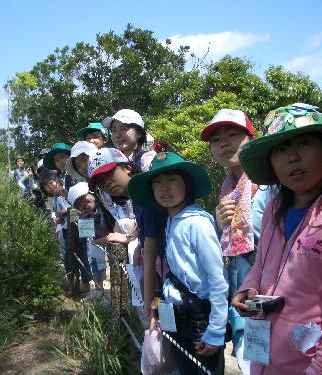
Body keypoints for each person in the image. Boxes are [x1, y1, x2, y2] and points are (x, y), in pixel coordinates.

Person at [231, 103, 322, 374]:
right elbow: (261, 265)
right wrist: (248, 287)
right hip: (264, 361)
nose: (292, 157)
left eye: (304, 143)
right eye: (281, 149)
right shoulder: (274, 209)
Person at [128, 151, 228, 374]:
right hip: (179, 316)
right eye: (157, 182)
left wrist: (216, 330)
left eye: (173, 180)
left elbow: (218, 279)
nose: (165, 188)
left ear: (188, 185)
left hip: (200, 322)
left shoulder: (197, 223)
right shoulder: (173, 220)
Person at [201, 108, 273, 373]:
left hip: (271, 300)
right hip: (241, 301)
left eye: (232, 134)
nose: (224, 143)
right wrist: (220, 225)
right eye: (216, 140)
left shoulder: (269, 184)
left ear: (250, 139)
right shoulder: (229, 188)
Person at [103, 109, 161, 320]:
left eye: (125, 128)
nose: (118, 134)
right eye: (114, 130)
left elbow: (152, 205)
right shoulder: (120, 162)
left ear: (139, 132)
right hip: (142, 238)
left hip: (153, 237)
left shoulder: (147, 160)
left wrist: (134, 237)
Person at [68, 182, 108, 290]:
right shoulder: (75, 212)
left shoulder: (104, 204)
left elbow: (107, 231)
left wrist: (95, 224)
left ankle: (100, 288)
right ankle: (96, 288)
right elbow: (72, 226)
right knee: (92, 261)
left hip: (104, 241)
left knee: (100, 262)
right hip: (88, 242)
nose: (84, 205)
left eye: (85, 200)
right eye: (80, 204)